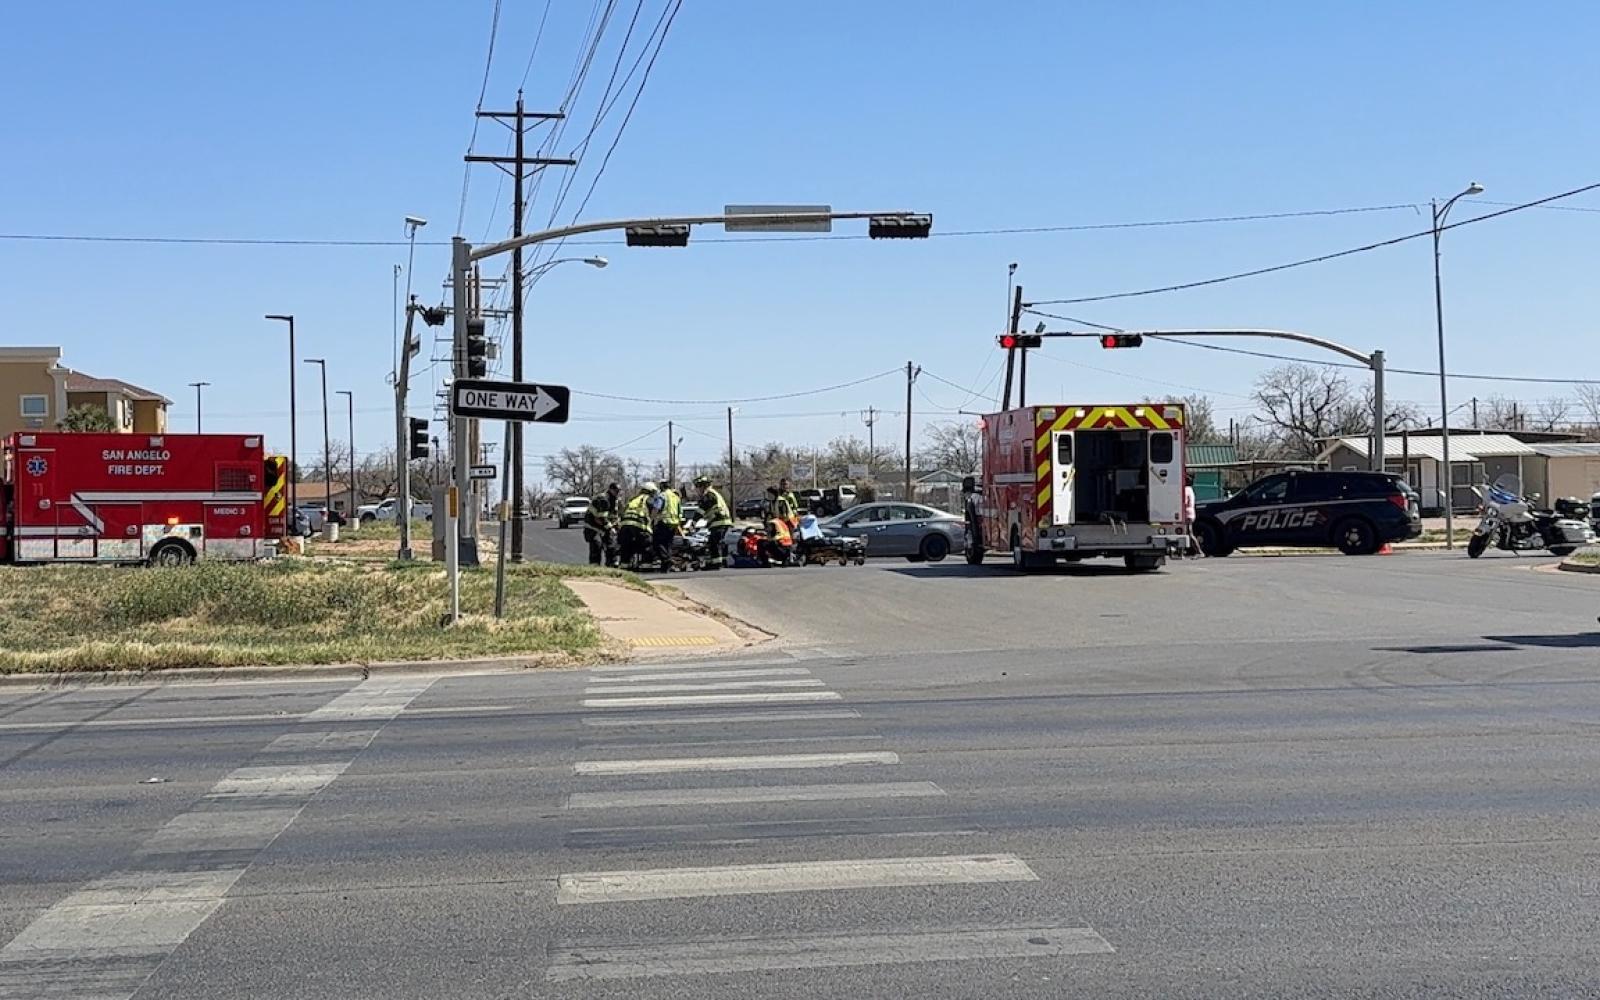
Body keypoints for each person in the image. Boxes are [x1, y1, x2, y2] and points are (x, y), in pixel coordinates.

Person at [694, 475, 733, 569]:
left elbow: (701, 510)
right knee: (717, 543)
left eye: (698, 487)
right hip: (721, 522)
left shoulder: (709, 495)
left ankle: (716, 564)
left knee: (714, 543)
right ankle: (721, 562)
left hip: (719, 523)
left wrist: (693, 522)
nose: (697, 489)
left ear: (703, 486)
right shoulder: (714, 494)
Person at [582, 482, 622, 566]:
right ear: (610, 489)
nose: (617, 493)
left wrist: (617, 526)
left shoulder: (615, 500)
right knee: (597, 545)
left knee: (612, 545)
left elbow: (614, 516)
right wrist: (611, 528)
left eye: (618, 491)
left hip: (604, 527)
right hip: (593, 527)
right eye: (616, 491)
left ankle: (611, 565)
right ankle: (595, 567)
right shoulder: (603, 499)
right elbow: (599, 518)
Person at [618, 483, 656, 568]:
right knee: (647, 543)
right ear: (650, 491)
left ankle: (625, 564)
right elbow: (654, 511)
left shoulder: (633, 499)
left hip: (625, 525)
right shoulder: (648, 499)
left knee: (626, 545)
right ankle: (646, 564)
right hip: (639, 525)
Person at [653, 481, 683, 571]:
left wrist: (652, 519)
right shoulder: (676, 497)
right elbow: (680, 511)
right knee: (668, 544)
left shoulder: (662, 495)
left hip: (664, 522)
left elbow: (656, 508)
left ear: (662, 487)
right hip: (674, 524)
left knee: (657, 543)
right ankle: (666, 566)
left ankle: (666, 560)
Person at [1182, 470, 1203, 558]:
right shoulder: (1190, 490)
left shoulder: (1186, 490)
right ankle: (1184, 551)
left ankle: (1199, 551)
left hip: (1187, 514)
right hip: (1191, 513)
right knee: (1187, 533)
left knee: (1189, 533)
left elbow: (1184, 502)